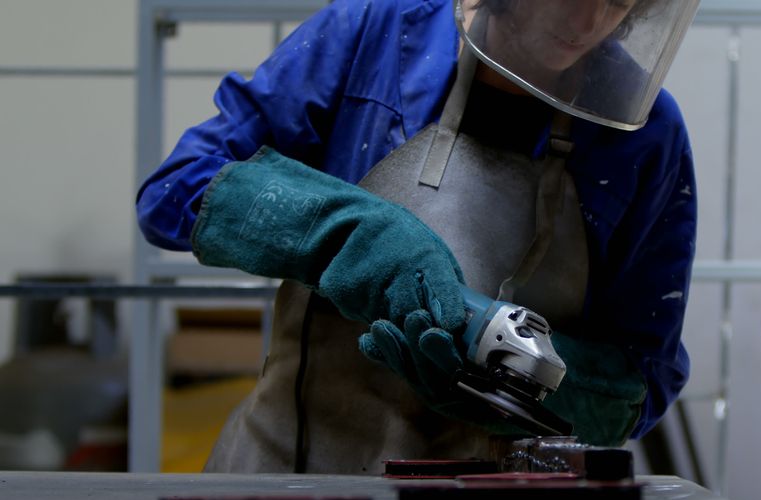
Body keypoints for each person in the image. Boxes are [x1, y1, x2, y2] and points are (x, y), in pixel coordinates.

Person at [135, 0, 700, 474]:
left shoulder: (645, 137)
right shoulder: (377, 36)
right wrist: (348, 234)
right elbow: (177, 191)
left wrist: (512, 385)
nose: (588, 23)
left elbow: (639, 380)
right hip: (291, 478)